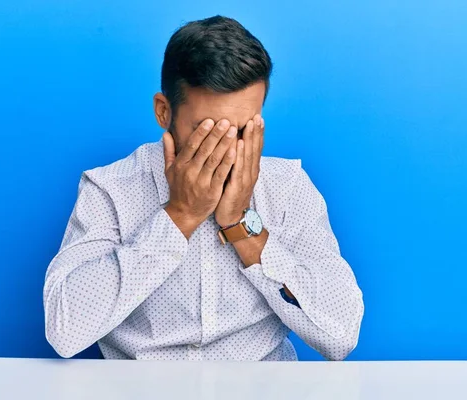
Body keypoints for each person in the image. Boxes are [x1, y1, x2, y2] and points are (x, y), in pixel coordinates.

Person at [43, 15, 364, 361]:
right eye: (208, 131)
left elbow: (341, 335)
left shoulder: (287, 188)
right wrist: (179, 215)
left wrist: (242, 226)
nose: (225, 150)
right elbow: (64, 331)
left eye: (242, 132)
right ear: (164, 112)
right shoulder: (111, 188)